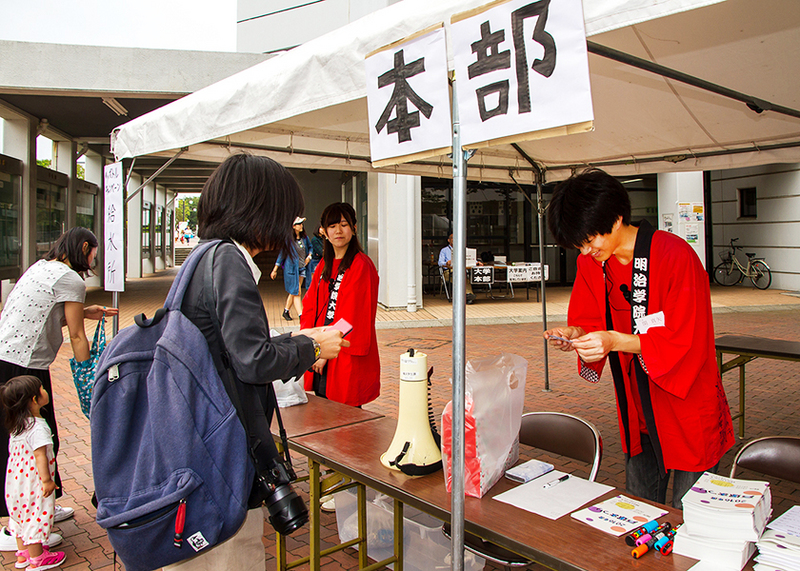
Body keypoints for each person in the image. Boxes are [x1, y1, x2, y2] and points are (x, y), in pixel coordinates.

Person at [166, 153, 348, 571]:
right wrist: (312, 349)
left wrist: (299, 338)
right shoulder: (228, 261)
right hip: (224, 453)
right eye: (285, 213)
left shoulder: (202, 257)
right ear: (259, 208)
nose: (288, 225)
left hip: (198, 444)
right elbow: (252, 360)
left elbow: (233, 345)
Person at [543, 168, 734, 508]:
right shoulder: (593, 264)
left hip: (686, 403)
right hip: (638, 407)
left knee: (688, 517)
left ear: (616, 218)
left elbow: (684, 337)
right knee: (641, 510)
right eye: (579, 245)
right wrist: (574, 335)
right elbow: (589, 319)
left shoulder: (675, 256)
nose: (586, 251)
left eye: (590, 241)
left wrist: (615, 342)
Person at [0, 227, 118, 551]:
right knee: (28, 440)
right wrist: (88, 376)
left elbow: (45, 315)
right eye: (94, 254)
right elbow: (78, 337)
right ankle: (17, 529)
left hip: (14, 359)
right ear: (84, 247)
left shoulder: (42, 267)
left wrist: (87, 311)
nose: (94, 260)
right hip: (22, 366)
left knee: (42, 436)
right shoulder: (71, 279)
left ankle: (46, 503)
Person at [301, 202, 380, 408]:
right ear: (324, 232)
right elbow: (309, 306)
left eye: (344, 224)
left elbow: (354, 315)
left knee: (344, 418)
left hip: (342, 353)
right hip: (320, 351)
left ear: (354, 229)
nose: (338, 231)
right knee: (322, 412)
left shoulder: (361, 265)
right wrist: (310, 344)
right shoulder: (323, 266)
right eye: (332, 226)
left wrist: (323, 350)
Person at [0, 376, 67, 570]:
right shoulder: (38, 427)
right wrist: (46, 481)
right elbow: (40, 456)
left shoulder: (18, 425)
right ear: (35, 400)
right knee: (36, 515)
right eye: (42, 389)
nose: (45, 391)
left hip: (15, 482)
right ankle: (38, 559)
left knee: (20, 517)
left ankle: (22, 556)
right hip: (33, 482)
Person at [271, 217, 312, 321]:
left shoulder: (304, 238)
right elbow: (282, 254)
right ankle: (301, 315)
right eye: (299, 224)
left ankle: (286, 311)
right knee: (296, 291)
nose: (301, 226)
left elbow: (310, 247)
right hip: (292, 270)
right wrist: (275, 268)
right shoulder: (288, 240)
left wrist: (309, 256)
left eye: (302, 224)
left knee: (294, 291)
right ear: (293, 226)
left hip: (302, 267)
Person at [438, 233, 480, 304]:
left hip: (461, 271)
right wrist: (446, 263)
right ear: (449, 240)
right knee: (460, 276)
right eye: (453, 238)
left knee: (463, 276)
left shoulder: (463, 249)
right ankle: (467, 295)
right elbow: (440, 263)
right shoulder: (444, 250)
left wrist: (477, 262)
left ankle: (468, 295)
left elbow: (469, 258)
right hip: (448, 272)